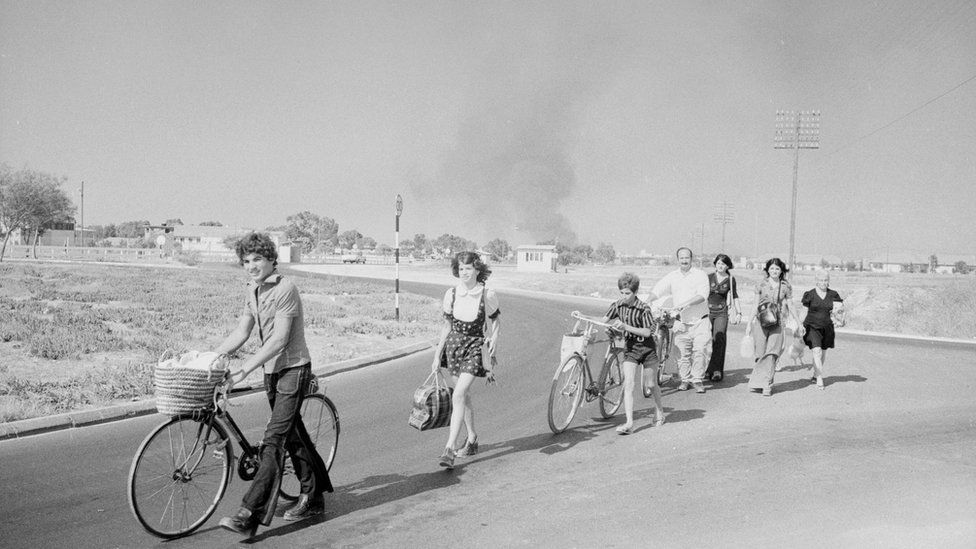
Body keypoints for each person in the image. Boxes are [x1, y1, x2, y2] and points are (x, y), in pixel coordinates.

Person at [216, 232, 332, 536]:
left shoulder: (285, 289)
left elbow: (280, 339)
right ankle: (315, 494)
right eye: (246, 261)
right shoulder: (252, 291)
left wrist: (242, 371)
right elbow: (242, 331)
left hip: (293, 369)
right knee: (294, 437)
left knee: (274, 440)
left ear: (271, 259)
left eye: (257, 259)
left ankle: (248, 515)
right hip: (272, 372)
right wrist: (212, 356)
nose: (251, 266)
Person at [432, 251, 501, 470]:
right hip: (453, 347)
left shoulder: (487, 294)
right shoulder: (451, 294)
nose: (464, 272)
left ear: (477, 270)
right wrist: (436, 356)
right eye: (461, 268)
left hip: (474, 348)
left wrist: (493, 346)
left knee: (459, 394)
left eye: (468, 268)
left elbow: (496, 321)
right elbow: (446, 327)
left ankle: (449, 448)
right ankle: (472, 439)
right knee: (463, 397)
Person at [605, 272, 665, 435]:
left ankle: (659, 410)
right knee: (629, 384)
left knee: (651, 384)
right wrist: (583, 315)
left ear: (635, 292)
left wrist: (625, 327)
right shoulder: (617, 305)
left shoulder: (643, 308)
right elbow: (604, 319)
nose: (624, 296)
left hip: (647, 349)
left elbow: (647, 332)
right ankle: (629, 422)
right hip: (630, 349)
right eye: (622, 293)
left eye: (628, 293)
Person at [645, 247, 711, 393]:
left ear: (691, 259)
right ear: (678, 259)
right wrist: (649, 300)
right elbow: (659, 289)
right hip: (681, 321)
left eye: (687, 258)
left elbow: (703, 295)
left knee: (700, 350)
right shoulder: (673, 276)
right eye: (681, 258)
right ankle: (685, 379)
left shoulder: (700, 275)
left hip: (700, 320)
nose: (684, 260)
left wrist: (685, 304)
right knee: (681, 353)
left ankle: (697, 379)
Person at [747, 258, 804, 397]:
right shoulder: (760, 284)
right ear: (767, 270)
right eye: (772, 268)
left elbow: (791, 305)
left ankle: (767, 384)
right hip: (761, 322)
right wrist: (749, 323)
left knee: (772, 354)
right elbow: (755, 305)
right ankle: (759, 382)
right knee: (760, 354)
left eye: (777, 269)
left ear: (781, 271)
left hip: (777, 323)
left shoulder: (785, 286)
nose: (774, 271)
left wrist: (799, 322)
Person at [800, 269, 845, 389]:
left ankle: (815, 374)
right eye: (821, 280)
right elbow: (804, 311)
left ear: (828, 281)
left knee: (823, 352)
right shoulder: (809, 294)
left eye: (826, 280)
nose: (823, 282)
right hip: (812, 327)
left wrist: (840, 320)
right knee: (817, 351)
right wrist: (799, 325)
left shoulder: (833, 295)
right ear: (816, 281)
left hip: (827, 328)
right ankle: (820, 378)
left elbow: (839, 311)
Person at [703, 254, 742, 382]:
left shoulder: (730, 279)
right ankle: (706, 368)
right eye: (719, 263)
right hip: (707, 312)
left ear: (728, 266)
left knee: (718, 339)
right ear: (715, 264)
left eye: (723, 264)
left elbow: (735, 296)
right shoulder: (708, 277)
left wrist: (739, 313)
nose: (721, 266)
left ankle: (716, 370)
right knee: (704, 341)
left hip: (721, 312)